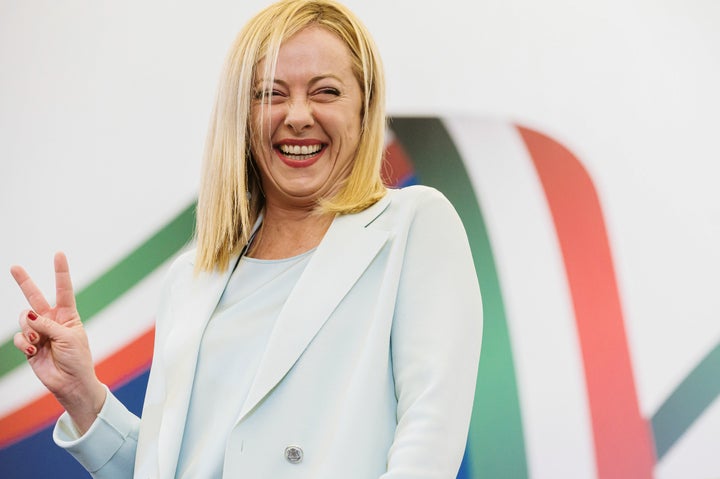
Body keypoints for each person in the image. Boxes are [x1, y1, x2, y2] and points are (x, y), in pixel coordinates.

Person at [11, 0, 483, 477]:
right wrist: (81, 395)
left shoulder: (413, 227)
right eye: (269, 94)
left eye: (326, 91)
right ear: (240, 114)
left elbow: (428, 444)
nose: (298, 116)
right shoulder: (190, 279)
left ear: (364, 107)